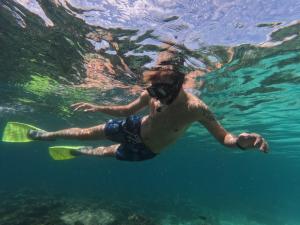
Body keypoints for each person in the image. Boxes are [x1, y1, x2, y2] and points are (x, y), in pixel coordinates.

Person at [28, 56, 269, 161]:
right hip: (134, 126)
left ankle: (78, 153)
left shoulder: (196, 109)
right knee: (88, 132)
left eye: (162, 92)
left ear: (178, 86)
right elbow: (126, 110)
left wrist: (240, 142)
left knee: (106, 152)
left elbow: (223, 137)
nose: (156, 98)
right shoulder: (152, 92)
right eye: (153, 90)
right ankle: (45, 135)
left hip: (147, 149)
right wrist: (97, 106)